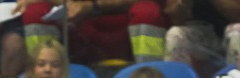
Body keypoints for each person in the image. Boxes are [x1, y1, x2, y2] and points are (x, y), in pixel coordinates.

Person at [21, 0, 169, 66]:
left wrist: (93, 6)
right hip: (78, 25)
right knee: (35, 12)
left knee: (147, 11)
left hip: (124, 24)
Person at [163, 0, 240, 77]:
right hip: (212, 33)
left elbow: (238, 14)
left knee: (235, 31)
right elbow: (177, 21)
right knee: (175, 34)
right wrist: (183, 4)